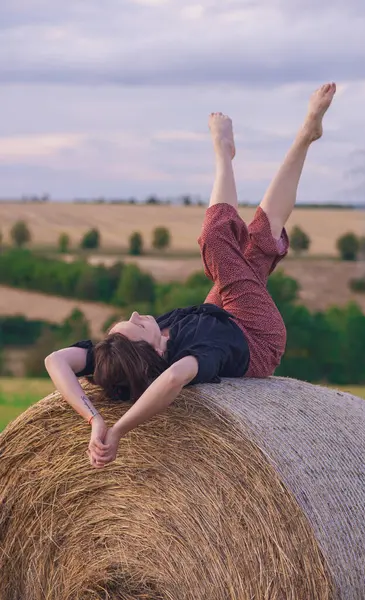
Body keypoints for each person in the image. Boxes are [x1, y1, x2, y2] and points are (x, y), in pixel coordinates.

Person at [45, 82, 336, 469]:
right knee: (216, 240)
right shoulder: (185, 361)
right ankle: (223, 155)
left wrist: (94, 418)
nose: (134, 316)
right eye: (135, 327)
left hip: (216, 314)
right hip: (256, 334)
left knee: (259, 237)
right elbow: (168, 385)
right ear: (147, 351)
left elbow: (55, 361)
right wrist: (118, 432)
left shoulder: (111, 355)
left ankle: (305, 136)